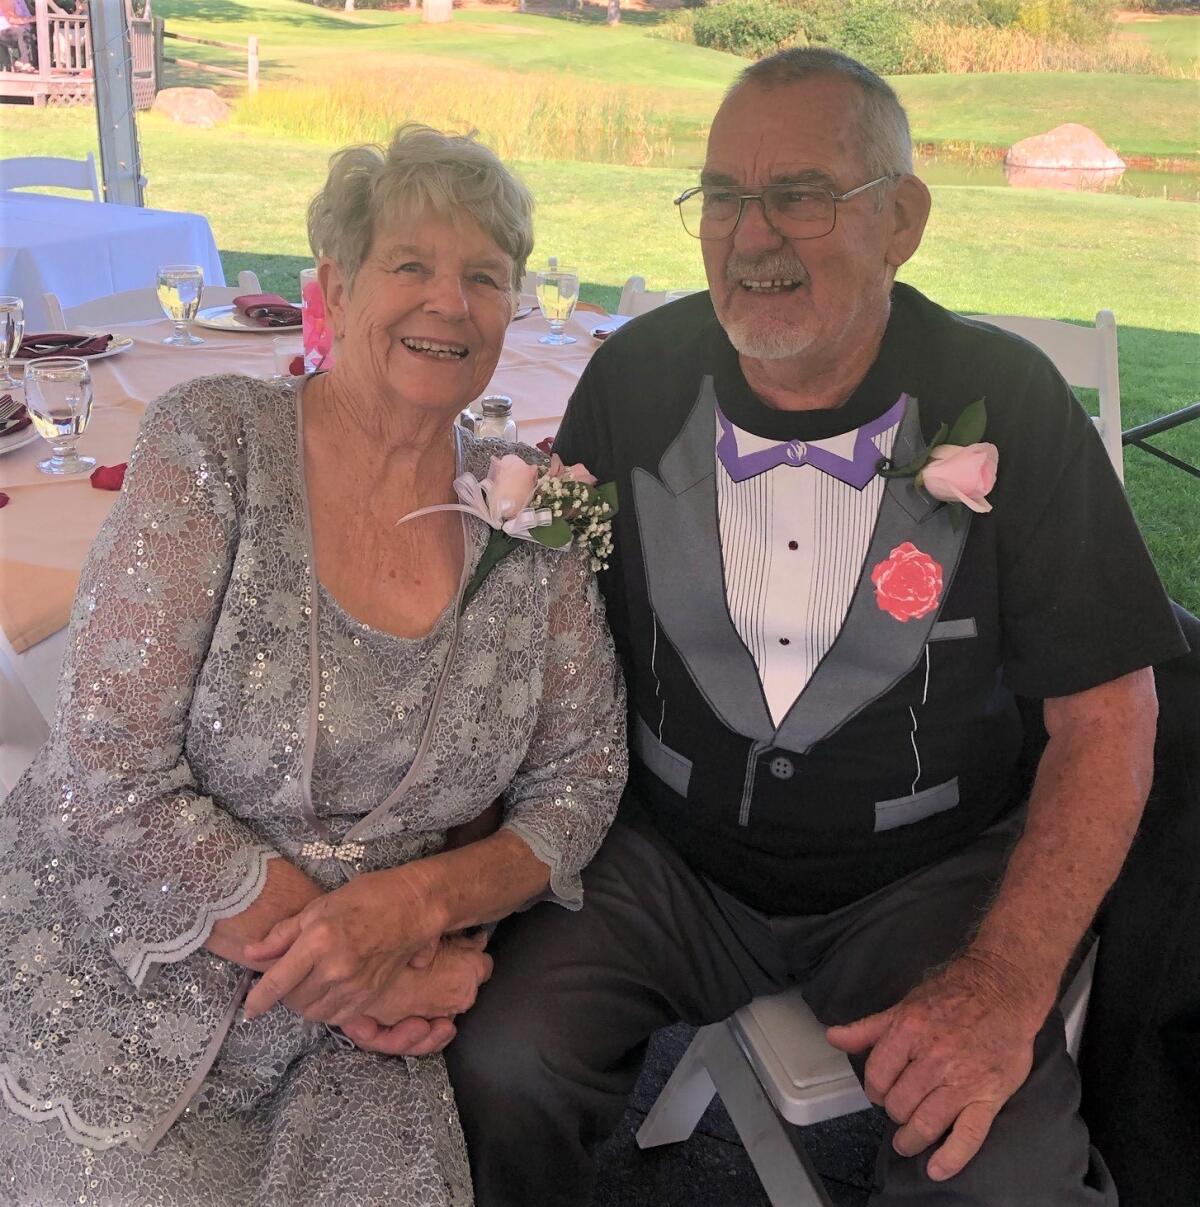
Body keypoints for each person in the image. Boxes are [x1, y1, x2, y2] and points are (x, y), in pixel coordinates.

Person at [447, 48, 1187, 1205]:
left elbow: (1109, 715)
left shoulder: (1010, 403)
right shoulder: (633, 379)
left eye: (797, 194)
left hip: (932, 877)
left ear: (900, 220)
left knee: (997, 1174)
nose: (751, 237)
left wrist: (1003, 982)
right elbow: (536, 657)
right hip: (661, 859)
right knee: (492, 1060)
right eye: (724, 197)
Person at [0, 124, 626, 1204]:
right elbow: (113, 767)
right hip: (142, 954)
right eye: (412, 266)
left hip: (374, 1024)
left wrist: (415, 911)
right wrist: (357, 972)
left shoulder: (536, 513)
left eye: (484, 275)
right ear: (335, 285)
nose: (450, 301)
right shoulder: (216, 444)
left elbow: (583, 779)